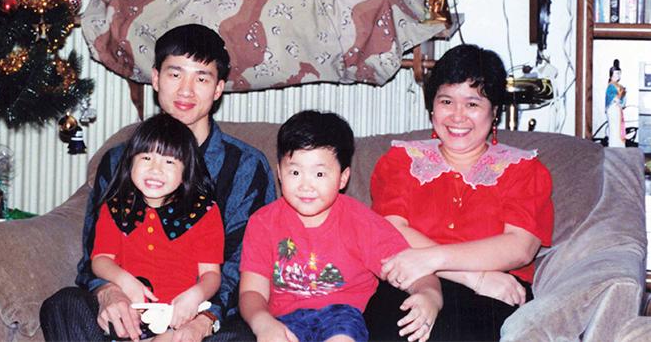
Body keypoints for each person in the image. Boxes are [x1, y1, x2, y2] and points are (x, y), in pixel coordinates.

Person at [40, 24, 277, 342]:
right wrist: (109, 292)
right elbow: (94, 256)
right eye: (175, 74)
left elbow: (245, 267)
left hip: (203, 317)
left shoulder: (246, 166)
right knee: (63, 305)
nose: (186, 91)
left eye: (201, 78)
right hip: (131, 312)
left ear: (218, 89)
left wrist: (202, 321)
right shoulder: (119, 161)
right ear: (155, 79)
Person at [364, 44, 554, 341]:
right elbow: (391, 230)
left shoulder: (522, 168)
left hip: (494, 295)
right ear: (432, 107)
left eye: (473, 104)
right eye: (446, 101)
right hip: (415, 281)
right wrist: (472, 277)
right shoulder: (401, 160)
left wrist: (431, 258)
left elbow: (521, 246)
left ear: (495, 112)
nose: (457, 116)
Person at [239, 111, 442, 342]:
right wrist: (262, 323)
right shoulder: (263, 222)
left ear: (343, 178)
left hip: (342, 318)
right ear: (279, 173)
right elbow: (252, 291)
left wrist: (430, 295)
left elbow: (416, 269)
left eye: (319, 173)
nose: (306, 185)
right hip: (283, 320)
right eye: (295, 172)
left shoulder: (361, 222)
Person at [92, 113, 224, 340]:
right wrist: (124, 280)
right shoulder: (116, 207)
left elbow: (211, 275)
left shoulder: (204, 212)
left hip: (178, 317)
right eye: (146, 158)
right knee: (65, 304)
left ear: (185, 172)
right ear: (130, 162)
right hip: (127, 316)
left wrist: (195, 296)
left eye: (169, 161)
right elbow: (100, 260)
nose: (155, 170)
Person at [605, 59, 626, 148]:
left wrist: (622, 97)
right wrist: (615, 99)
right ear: (612, 74)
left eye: (619, 73)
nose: (618, 75)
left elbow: (622, 97)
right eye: (617, 73)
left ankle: (619, 145)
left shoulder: (618, 86)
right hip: (613, 109)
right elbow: (610, 96)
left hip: (618, 109)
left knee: (618, 127)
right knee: (614, 128)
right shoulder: (611, 85)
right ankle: (613, 145)